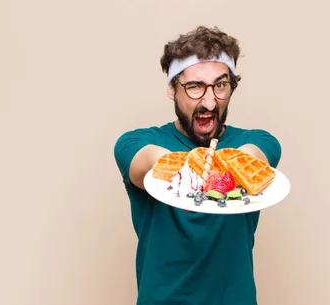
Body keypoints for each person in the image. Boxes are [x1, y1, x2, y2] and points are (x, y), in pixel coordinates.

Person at [113, 25, 282, 305]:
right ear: (172, 89)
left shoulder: (257, 140)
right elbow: (148, 161)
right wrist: (187, 165)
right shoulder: (135, 142)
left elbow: (254, 158)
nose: (209, 101)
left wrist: (233, 164)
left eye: (220, 85)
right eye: (194, 87)